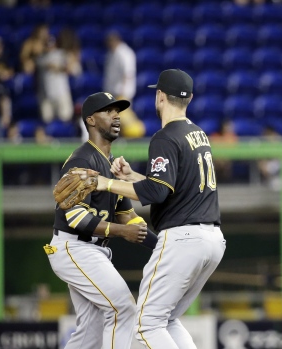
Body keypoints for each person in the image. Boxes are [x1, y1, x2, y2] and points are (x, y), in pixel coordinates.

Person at [91, 69, 225, 348]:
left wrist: (106, 183)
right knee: (166, 320)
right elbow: (168, 188)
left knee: (145, 325)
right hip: (212, 239)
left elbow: (156, 192)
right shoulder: (198, 133)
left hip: (183, 239)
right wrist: (131, 177)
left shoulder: (165, 136)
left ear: (160, 96)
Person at [45, 92, 157, 348]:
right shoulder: (83, 159)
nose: (116, 116)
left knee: (92, 330)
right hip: (73, 247)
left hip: (89, 249)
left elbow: (128, 216)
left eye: (117, 111)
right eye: (108, 111)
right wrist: (120, 231)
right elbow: (75, 217)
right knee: (123, 309)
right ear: (91, 120)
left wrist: (161, 245)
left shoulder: (109, 162)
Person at [103, 31, 144, 139]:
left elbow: (128, 73)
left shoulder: (124, 53)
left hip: (121, 93)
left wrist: (123, 93)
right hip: (114, 93)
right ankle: (120, 140)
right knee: (115, 120)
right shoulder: (112, 53)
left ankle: (137, 134)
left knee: (123, 120)